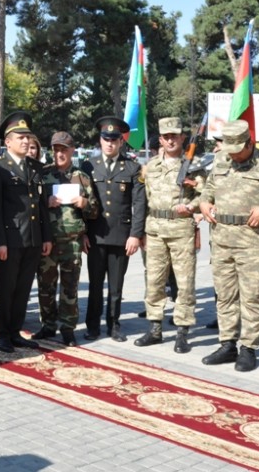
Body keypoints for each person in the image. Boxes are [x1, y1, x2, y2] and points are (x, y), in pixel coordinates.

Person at [199, 120, 259, 372]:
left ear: (250, 143)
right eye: (230, 150)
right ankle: (227, 344)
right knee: (225, 295)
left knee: (251, 297)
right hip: (222, 238)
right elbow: (209, 190)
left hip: (253, 240)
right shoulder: (221, 160)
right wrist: (204, 203)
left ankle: (249, 348)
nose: (234, 155)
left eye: (238, 150)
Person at [0, 112, 53, 353]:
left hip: (33, 238)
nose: (26, 141)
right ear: (8, 142)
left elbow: (41, 205)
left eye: (28, 137)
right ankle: (3, 333)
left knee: (23, 287)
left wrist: (45, 236)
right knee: (6, 288)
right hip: (10, 239)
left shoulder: (35, 167)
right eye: (20, 137)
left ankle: (15, 331)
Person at [135, 118, 203, 354]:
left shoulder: (193, 164)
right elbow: (143, 199)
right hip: (154, 230)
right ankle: (155, 329)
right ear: (161, 139)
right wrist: (140, 232)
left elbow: (206, 196)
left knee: (184, 284)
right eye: (166, 136)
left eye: (175, 135)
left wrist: (192, 207)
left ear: (182, 138)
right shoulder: (150, 166)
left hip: (181, 229)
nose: (171, 140)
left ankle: (182, 332)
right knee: (154, 281)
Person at [85, 116, 146, 342]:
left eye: (114, 139)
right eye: (105, 139)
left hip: (121, 236)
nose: (110, 143)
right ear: (100, 141)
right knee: (94, 285)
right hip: (95, 236)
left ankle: (114, 325)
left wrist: (135, 235)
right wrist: (82, 234)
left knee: (116, 286)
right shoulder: (89, 166)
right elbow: (82, 202)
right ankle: (92, 325)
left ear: (121, 141)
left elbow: (139, 204)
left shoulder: (132, 167)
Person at [34, 131, 95, 346]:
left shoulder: (82, 177)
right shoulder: (43, 175)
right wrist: (45, 201)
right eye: (56, 149)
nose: (59, 153)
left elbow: (95, 210)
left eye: (63, 149)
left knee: (70, 287)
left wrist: (83, 203)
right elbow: (32, 207)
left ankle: (67, 327)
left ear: (72, 150)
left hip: (72, 242)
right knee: (46, 285)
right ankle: (48, 325)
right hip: (48, 241)